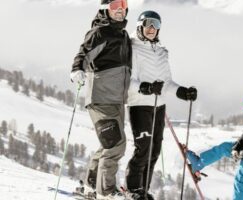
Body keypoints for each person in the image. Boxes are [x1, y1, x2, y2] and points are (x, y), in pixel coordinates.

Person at [124, 10, 197, 200]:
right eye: (148, 24)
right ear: (140, 25)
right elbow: (128, 81)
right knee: (143, 148)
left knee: (154, 150)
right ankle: (133, 190)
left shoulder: (162, 52)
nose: (152, 28)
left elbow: (167, 84)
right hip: (140, 105)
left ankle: (143, 191)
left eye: (156, 25)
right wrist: (146, 88)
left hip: (159, 106)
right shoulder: (132, 48)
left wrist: (182, 91)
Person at [70, 0, 131, 199]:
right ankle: (106, 192)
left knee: (108, 142)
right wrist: (77, 69)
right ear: (106, 10)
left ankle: (90, 184)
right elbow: (83, 53)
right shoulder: (100, 32)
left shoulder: (123, 35)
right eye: (115, 7)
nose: (120, 10)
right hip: (101, 97)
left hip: (117, 99)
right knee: (115, 144)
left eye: (123, 5)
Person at [184, 90, 243, 200]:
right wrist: (236, 148)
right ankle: (198, 164)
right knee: (223, 147)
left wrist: (240, 154)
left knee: (240, 178)